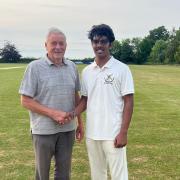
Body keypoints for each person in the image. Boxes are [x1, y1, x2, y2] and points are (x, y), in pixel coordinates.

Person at [19, 27, 83, 180]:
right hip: (43, 131)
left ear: (66, 46)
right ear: (45, 45)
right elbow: (25, 100)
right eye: (53, 43)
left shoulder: (72, 67)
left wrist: (80, 123)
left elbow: (75, 96)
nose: (58, 47)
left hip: (67, 130)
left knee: (64, 174)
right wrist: (53, 113)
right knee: (42, 175)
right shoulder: (34, 67)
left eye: (61, 43)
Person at [74, 24, 134, 180]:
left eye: (103, 41)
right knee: (97, 175)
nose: (99, 45)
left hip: (113, 134)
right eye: (95, 42)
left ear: (110, 44)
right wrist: (71, 114)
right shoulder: (87, 72)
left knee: (119, 176)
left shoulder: (122, 69)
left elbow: (129, 102)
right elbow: (85, 100)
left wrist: (123, 132)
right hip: (93, 135)